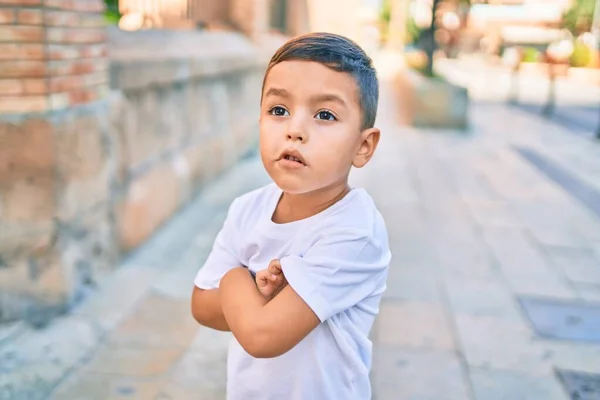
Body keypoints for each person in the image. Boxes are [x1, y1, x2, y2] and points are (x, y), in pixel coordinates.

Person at [191, 32, 391, 400]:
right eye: (278, 110)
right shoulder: (248, 208)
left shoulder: (355, 232)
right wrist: (253, 299)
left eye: (325, 115)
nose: (294, 130)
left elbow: (262, 335)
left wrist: (237, 280)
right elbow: (202, 305)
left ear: (363, 146)